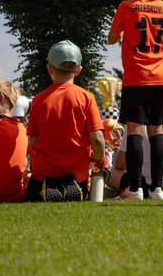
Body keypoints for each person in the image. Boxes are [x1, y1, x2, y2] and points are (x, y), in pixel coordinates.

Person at [108, 0, 163, 201]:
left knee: (135, 129)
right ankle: (158, 189)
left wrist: (123, 36)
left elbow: (112, 37)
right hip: (159, 78)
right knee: (157, 130)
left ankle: (135, 189)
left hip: (136, 77)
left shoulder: (127, 7)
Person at [25, 40, 106, 202]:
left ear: (50, 69)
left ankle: (48, 184)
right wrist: (100, 162)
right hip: (77, 172)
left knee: (32, 191)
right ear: (78, 70)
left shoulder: (38, 100)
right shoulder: (87, 98)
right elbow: (97, 139)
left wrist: (33, 169)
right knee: (81, 184)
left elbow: (33, 142)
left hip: (44, 171)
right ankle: (70, 183)